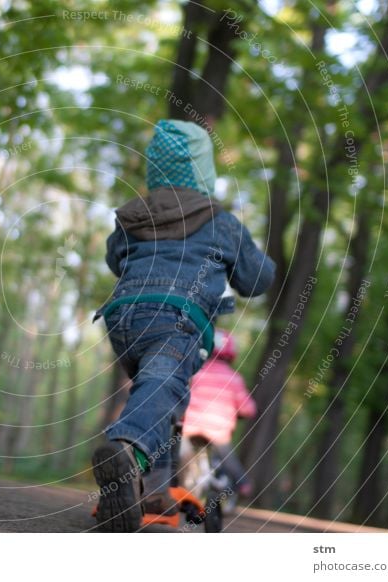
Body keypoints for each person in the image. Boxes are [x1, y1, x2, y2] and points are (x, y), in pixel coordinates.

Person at [91, 119, 275, 532]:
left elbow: (114, 259)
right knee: (161, 394)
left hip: (122, 319)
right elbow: (256, 279)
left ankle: (155, 490)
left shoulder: (132, 216)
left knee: (160, 399)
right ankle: (128, 455)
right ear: (204, 169)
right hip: (175, 321)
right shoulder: (220, 221)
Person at [181, 329, 257, 498]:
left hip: (190, 425)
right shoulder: (234, 378)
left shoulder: (195, 371)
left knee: (179, 451)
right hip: (218, 430)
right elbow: (247, 408)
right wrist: (242, 413)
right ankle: (242, 484)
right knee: (227, 455)